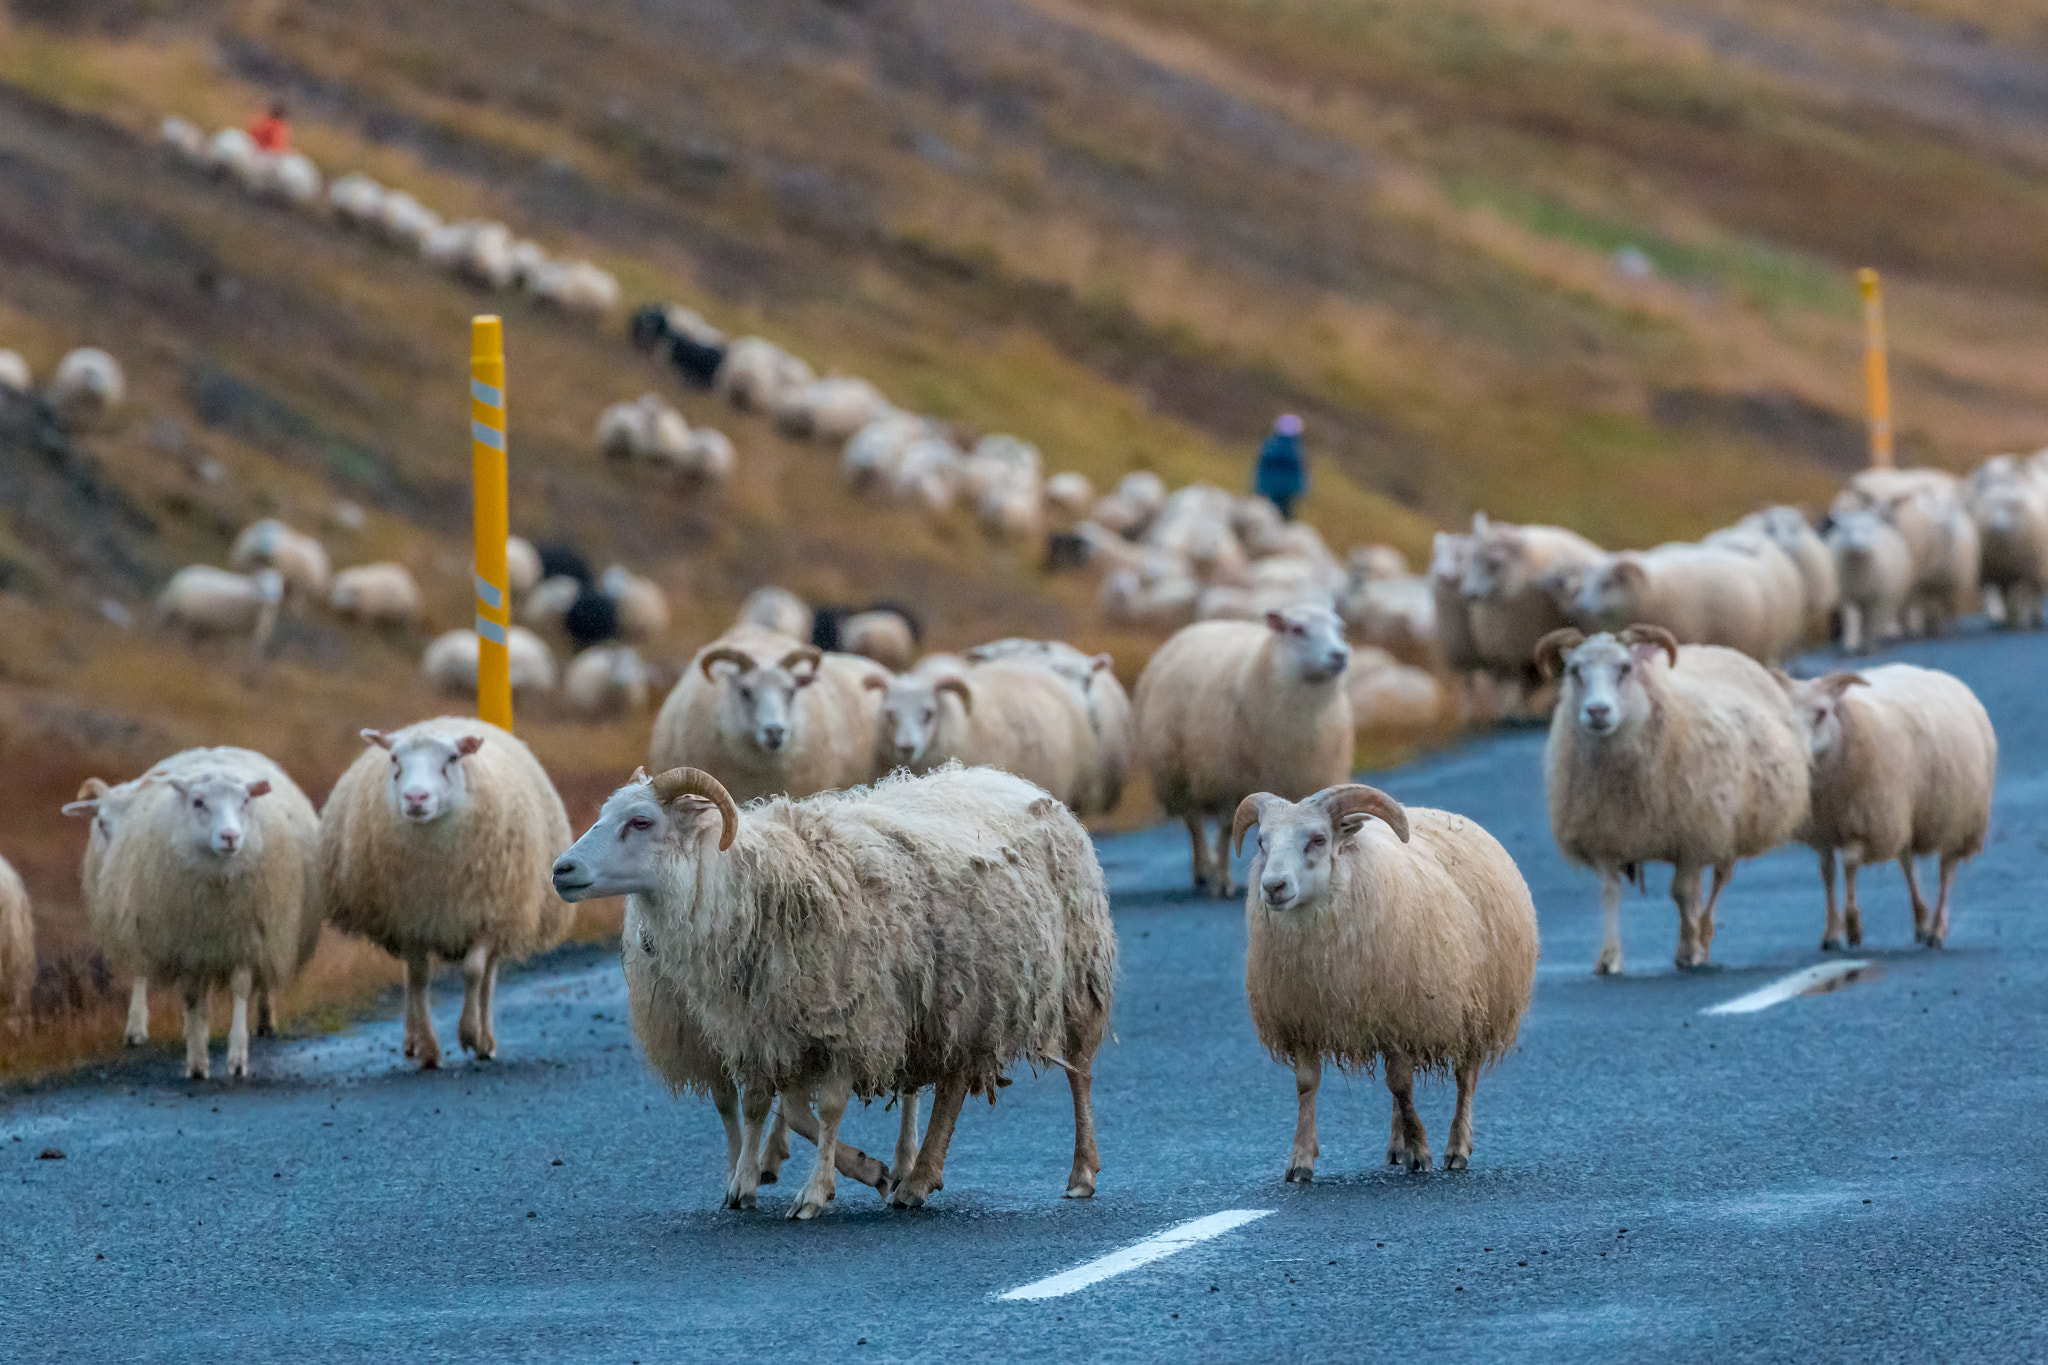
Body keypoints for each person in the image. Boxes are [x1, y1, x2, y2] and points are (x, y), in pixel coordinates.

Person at [1254, 413, 1307, 520]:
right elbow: (1298, 472)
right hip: (1287, 493)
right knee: (1284, 519)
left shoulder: (1270, 445)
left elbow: (1262, 468)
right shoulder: (1295, 449)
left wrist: (1258, 487)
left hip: (1268, 489)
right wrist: (1300, 489)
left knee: (1266, 517)